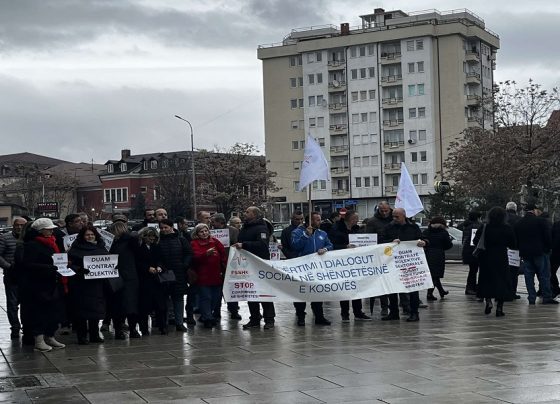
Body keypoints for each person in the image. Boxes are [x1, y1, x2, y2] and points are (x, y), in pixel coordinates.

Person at [22, 218, 66, 352]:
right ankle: (39, 339)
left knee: (53, 311)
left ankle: (50, 335)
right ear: (41, 230)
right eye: (48, 229)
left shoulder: (53, 243)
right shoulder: (32, 245)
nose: (51, 231)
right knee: (40, 312)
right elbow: (28, 264)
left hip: (53, 282)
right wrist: (50, 267)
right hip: (39, 284)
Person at [379, 208, 427, 322]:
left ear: (404, 216)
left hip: (409, 262)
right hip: (393, 262)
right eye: (393, 216)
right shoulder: (388, 228)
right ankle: (394, 312)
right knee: (393, 288)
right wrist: (391, 241)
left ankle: (414, 312)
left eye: (397, 217)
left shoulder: (413, 227)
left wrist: (424, 242)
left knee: (412, 289)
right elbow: (380, 241)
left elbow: (422, 238)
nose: (394, 219)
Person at [234, 206, 276, 330]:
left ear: (255, 214)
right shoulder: (245, 228)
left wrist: (244, 245)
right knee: (251, 293)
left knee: (264, 292)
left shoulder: (262, 228)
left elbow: (262, 245)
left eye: (248, 212)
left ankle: (269, 319)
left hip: (260, 265)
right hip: (247, 265)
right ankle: (255, 318)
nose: (245, 213)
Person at [67, 225, 108, 344]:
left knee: (95, 311)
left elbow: (108, 261)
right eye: (87, 235)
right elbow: (69, 264)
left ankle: (94, 335)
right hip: (81, 284)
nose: (90, 237)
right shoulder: (75, 249)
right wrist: (79, 269)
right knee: (81, 312)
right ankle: (82, 336)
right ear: (82, 236)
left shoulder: (101, 247)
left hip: (97, 284)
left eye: (92, 234)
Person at [291, 212, 333, 326]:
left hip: (317, 269)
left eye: (320, 219)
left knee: (317, 291)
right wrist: (306, 236)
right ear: (310, 221)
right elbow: (295, 246)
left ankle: (319, 316)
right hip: (302, 268)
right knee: (301, 293)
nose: (320, 222)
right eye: (318, 220)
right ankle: (300, 317)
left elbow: (330, 245)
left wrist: (325, 249)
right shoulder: (297, 232)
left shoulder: (322, 233)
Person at [329, 210, 372, 322]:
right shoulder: (336, 228)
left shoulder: (356, 229)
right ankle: (345, 313)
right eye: (355, 219)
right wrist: (345, 246)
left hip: (355, 263)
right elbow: (331, 245)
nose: (357, 221)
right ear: (350, 219)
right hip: (342, 263)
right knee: (345, 288)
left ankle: (358, 312)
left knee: (356, 287)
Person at [474, 207, 516, 316]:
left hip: (486, 257)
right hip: (501, 257)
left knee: (486, 280)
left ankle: (488, 301)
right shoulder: (507, 228)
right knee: (501, 281)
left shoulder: (484, 227)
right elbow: (513, 244)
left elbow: (475, 241)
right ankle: (500, 308)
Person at [514, 203, 558, 305]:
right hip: (540, 252)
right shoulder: (541, 221)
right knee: (544, 275)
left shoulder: (519, 223)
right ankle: (546, 297)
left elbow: (516, 239)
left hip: (525, 253)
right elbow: (547, 237)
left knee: (528, 276)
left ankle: (531, 297)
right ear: (534, 210)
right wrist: (548, 248)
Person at [158, 218, 193, 330]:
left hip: (179, 273)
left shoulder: (181, 240)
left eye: (166, 227)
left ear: (171, 227)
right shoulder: (158, 241)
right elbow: (156, 256)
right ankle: (165, 322)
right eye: (161, 228)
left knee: (178, 298)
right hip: (163, 273)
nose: (163, 230)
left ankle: (179, 322)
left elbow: (188, 253)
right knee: (164, 299)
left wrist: (185, 265)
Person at [190, 223, 227, 328]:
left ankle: (206, 314)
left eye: (206, 231)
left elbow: (223, 256)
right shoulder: (194, 243)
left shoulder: (215, 242)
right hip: (202, 275)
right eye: (201, 232)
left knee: (216, 297)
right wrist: (206, 254)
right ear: (197, 234)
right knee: (206, 297)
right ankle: (208, 318)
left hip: (216, 274)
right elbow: (195, 258)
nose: (204, 233)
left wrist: (224, 268)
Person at [108, 221, 140, 339]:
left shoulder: (127, 241)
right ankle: (126, 330)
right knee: (122, 305)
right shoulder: (116, 242)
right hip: (126, 276)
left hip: (123, 276)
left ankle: (127, 330)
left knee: (126, 305)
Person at [136, 227, 168, 335]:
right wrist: (147, 268)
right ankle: (143, 328)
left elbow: (161, 259)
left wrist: (159, 266)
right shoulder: (139, 248)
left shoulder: (156, 246)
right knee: (144, 306)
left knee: (160, 305)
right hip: (144, 280)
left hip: (156, 280)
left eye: (153, 237)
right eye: (149, 237)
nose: (151, 239)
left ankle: (162, 326)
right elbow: (137, 262)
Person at [364, 201, 393, 316]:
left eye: (387, 210)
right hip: (379, 256)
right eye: (382, 211)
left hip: (393, 255)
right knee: (383, 282)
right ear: (378, 210)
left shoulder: (394, 219)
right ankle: (384, 307)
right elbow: (368, 239)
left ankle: (402, 305)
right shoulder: (372, 222)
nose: (385, 213)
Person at [211, 213, 241, 320]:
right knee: (216, 289)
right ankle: (216, 311)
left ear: (221, 222)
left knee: (231, 288)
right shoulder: (210, 232)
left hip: (229, 263)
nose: (212, 223)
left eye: (214, 221)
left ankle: (233, 311)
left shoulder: (233, 231)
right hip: (215, 264)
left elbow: (237, 244)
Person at [0, 217, 27, 339]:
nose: (19, 227)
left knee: (26, 303)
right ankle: (15, 327)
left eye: (22, 225)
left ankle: (26, 326)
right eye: (17, 225)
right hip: (12, 275)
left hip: (26, 276)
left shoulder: (28, 239)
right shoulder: (5, 238)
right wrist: (8, 266)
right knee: (12, 303)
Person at [422, 217, 453, 301]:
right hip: (438, 255)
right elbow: (449, 245)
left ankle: (441, 291)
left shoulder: (426, 231)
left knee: (434, 275)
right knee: (435, 276)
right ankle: (429, 294)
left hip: (427, 254)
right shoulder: (443, 232)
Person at [459, 211, 483, 295]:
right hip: (475, 251)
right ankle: (471, 288)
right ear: (478, 218)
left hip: (467, 251)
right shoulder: (476, 226)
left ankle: (471, 287)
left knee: (473, 270)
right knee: (474, 270)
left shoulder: (466, 226)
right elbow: (477, 241)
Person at [505, 202, 522, 299]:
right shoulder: (519, 219)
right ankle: (512, 292)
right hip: (515, 249)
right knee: (513, 272)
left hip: (502, 248)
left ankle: (502, 291)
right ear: (515, 209)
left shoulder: (502, 218)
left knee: (503, 270)